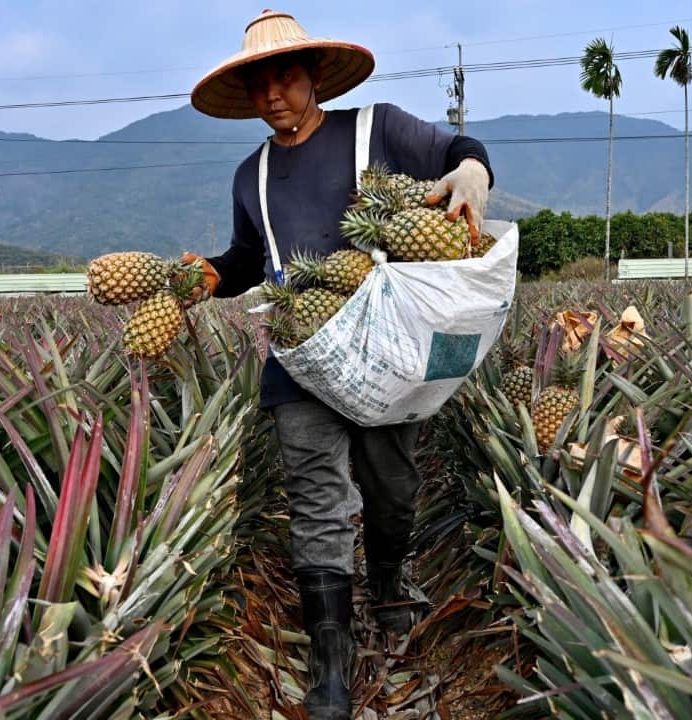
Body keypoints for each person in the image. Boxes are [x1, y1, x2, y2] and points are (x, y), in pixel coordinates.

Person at [184, 10, 494, 719]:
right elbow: (246, 259)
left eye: (285, 77)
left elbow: (460, 148)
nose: (272, 95)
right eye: (259, 84)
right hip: (299, 358)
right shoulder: (249, 174)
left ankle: (388, 578)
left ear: (315, 76)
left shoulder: (376, 129)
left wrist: (471, 175)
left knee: (392, 485)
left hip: (388, 350)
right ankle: (331, 653)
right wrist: (210, 275)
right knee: (317, 494)